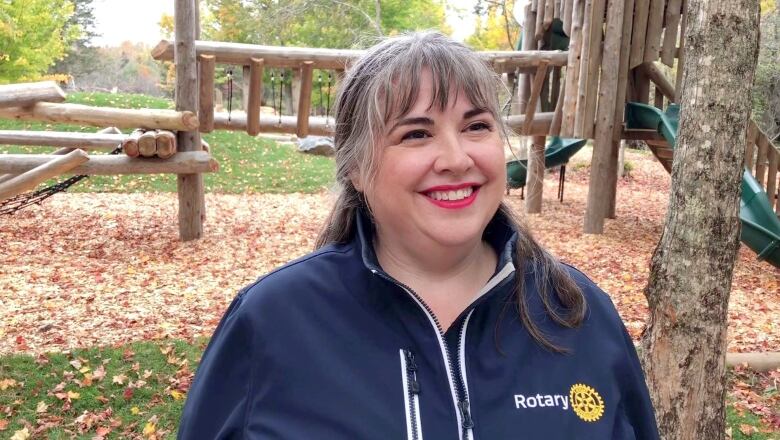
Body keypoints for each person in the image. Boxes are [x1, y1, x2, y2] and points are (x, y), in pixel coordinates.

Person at [177, 32, 659, 439]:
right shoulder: (272, 324)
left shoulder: (577, 313)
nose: (455, 158)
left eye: (476, 126)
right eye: (416, 134)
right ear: (358, 169)